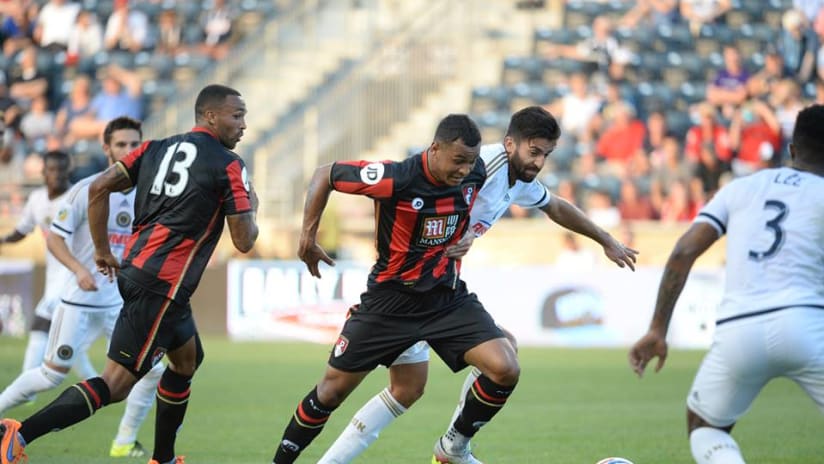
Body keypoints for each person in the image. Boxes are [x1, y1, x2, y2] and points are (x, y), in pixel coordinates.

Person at [318, 106, 638, 464]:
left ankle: (452, 446)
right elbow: (421, 188)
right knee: (358, 390)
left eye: (546, 155)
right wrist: (456, 232)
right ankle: (450, 448)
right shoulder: (481, 166)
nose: (539, 163)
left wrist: (606, 239)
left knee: (420, 385)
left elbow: (555, 206)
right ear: (509, 144)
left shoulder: (519, 179)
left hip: (439, 290)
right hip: (404, 290)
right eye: (534, 152)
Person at [0, 84, 259, 464]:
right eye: (237, 116)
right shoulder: (229, 165)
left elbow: (100, 186)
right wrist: (253, 206)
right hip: (163, 286)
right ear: (210, 115)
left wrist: (103, 250)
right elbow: (244, 241)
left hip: (143, 274)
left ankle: (164, 458)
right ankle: (19, 434)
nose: (243, 125)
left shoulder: (155, 147)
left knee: (186, 360)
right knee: (116, 384)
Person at [270, 114, 506, 464]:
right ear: (435, 149)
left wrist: (468, 235)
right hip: (389, 302)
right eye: (458, 161)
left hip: (445, 298)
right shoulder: (398, 177)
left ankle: (453, 448)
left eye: (471, 161)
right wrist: (307, 237)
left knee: (504, 367)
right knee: (331, 392)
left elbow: (466, 209)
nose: (464, 169)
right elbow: (326, 174)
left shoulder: (475, 173)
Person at [629, 104, 824, 464]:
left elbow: (684, 251)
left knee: (706, 426)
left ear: (792, 150)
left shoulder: (743, 187)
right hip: (809, 323)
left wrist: (658, 329)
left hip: (739, 329)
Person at [0, 117, 162, 458]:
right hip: (80, 301)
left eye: (135, 144)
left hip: (119, 303)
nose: (129, 151)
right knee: (49, 376)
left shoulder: (148, 194)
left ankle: (123, 441)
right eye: (121, 144)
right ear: (106, 148)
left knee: (153, 370)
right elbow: (56, 240)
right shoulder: (87, 189)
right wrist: (77, 270)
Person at [0, 150, 99, 394]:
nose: (56, 174)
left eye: (61, 169)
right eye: (51, 169)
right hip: (54, 276)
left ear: (69, 170)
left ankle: (23, 390)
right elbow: (23, 229)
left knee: (40, 322)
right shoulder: (36, 199)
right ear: (43, 171)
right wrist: (3, 240)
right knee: (69, 343)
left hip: (74, 275)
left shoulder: (78, 197)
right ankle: (98, 385)